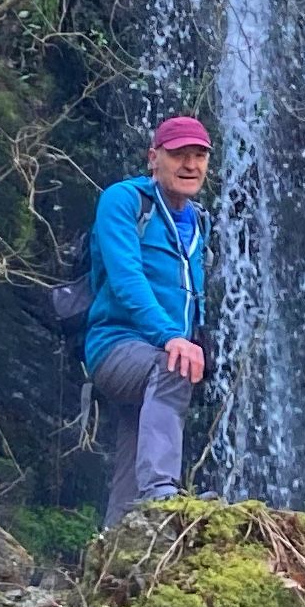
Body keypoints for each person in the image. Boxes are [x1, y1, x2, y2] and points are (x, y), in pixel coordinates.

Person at [86, 116, 213, 526]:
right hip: (115, 346)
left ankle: (115, 549)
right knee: (173, 367)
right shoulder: (124, 200)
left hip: (156, 357)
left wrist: (196, 340)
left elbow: (192, 294)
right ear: (154, 158)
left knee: (132, 456)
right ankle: (162, 495)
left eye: (199, 155)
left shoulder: (200, 220)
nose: (190, 165)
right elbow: (126, 279)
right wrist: (174, 338)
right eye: (179, 155)